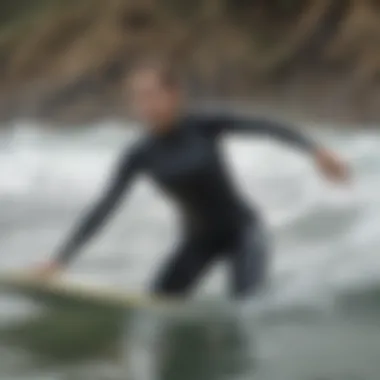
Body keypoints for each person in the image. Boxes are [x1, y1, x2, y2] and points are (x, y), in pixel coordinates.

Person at [37, 58, 349, 300]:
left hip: (243, 233)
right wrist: (62, 258)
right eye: (137, 98)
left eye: (152, 94)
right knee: (155, 305)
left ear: (175, 95)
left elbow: (265, 126)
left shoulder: (204, 124)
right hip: (197, 241)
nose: (145, 105)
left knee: (247, 308)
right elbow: (104, 207)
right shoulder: (139, 154)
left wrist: (314, 150)